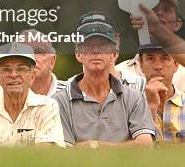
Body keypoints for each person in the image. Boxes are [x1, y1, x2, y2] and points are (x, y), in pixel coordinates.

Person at [53, 12, 155, 147]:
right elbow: (64, 152)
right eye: (89, 45)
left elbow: (145, 145)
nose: (96, 51)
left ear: (114, 54)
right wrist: (125, 147)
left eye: (103, 45)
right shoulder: (60, 101)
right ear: (78, 54)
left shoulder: (134, 98)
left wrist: (93, 145)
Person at [0, 42, 64, 147]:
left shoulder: (47, 107)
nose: (14, 75)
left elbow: (45, 154)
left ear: (32, 76)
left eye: (21, 69)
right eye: (6, 69)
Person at [120, 0, 185, 90]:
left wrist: (157, 28)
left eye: (167, 10)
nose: (158, 13)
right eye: (152, 8)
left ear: (178, 24)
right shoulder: (120, 73)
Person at [138, 41, 184, 143]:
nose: (158, 66)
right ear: (141, 64)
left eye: (165, 58)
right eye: (150, 58)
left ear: (176, 64)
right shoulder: (130, 106)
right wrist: (151, 107)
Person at [19, 29, 66, 97]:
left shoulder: (72, 93)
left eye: (39, 52)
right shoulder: (1, 96)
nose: (31, 58)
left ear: (52, 62)